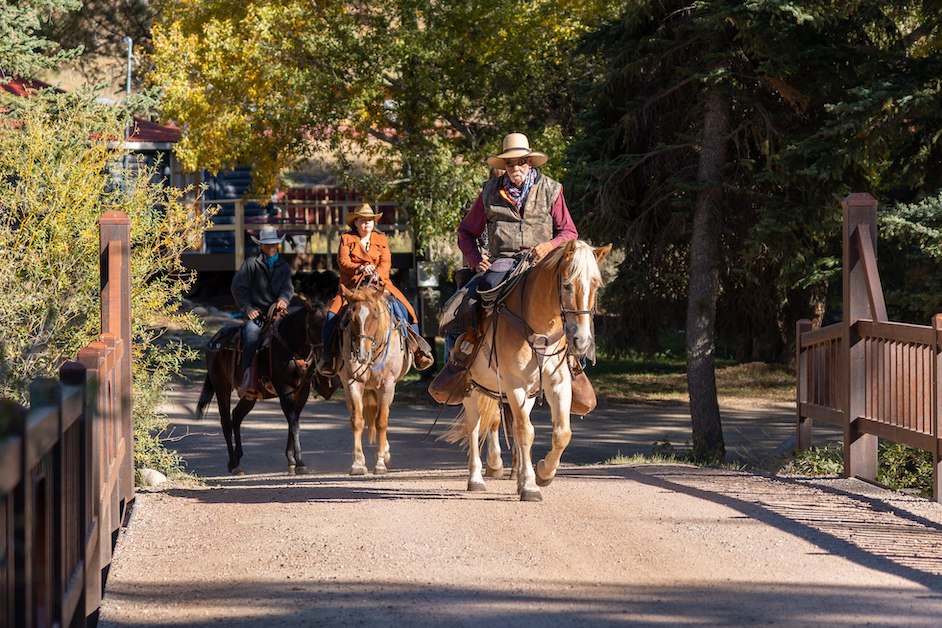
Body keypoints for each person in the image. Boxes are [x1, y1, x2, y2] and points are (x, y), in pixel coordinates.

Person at [429, 132, 583, 402]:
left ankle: (573, 366)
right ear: (504, 166)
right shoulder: (489, 192)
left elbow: (569, 232)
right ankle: (462, 361)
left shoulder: (551, 189)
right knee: (462, 304)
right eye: (510, 164)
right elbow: (466, 232)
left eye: (521, 162)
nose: (516, 168)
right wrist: (477, 260)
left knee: (572, 299)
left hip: (543, 262)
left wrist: (548, 247)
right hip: (504, 261)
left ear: (530, 163)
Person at [315, 203, 434, 376]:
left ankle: (417, 352)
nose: (366, 224)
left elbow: (386, 262)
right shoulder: (346, 239)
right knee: (331, 316)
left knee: (406, 311)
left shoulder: (382, 240)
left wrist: (377, 273)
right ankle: (328, 357)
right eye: (362, 220)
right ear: (355, 223)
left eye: (369, 220)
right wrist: (360, 268)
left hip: (379, 284)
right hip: (353, 286)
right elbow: (342, 262)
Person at [231, 225, 294, 396]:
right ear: (261, 245)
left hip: (278, 313)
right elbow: (238, 288)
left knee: (297, 331)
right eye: (267, 244)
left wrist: (284, 299)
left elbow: (288, 288)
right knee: (250, 335)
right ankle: (248, 378)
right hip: (257, 313)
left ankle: (302, 376)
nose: (271, 246)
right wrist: (247, 308)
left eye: (273, 243)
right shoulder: (251, 264)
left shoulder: (284, 266)